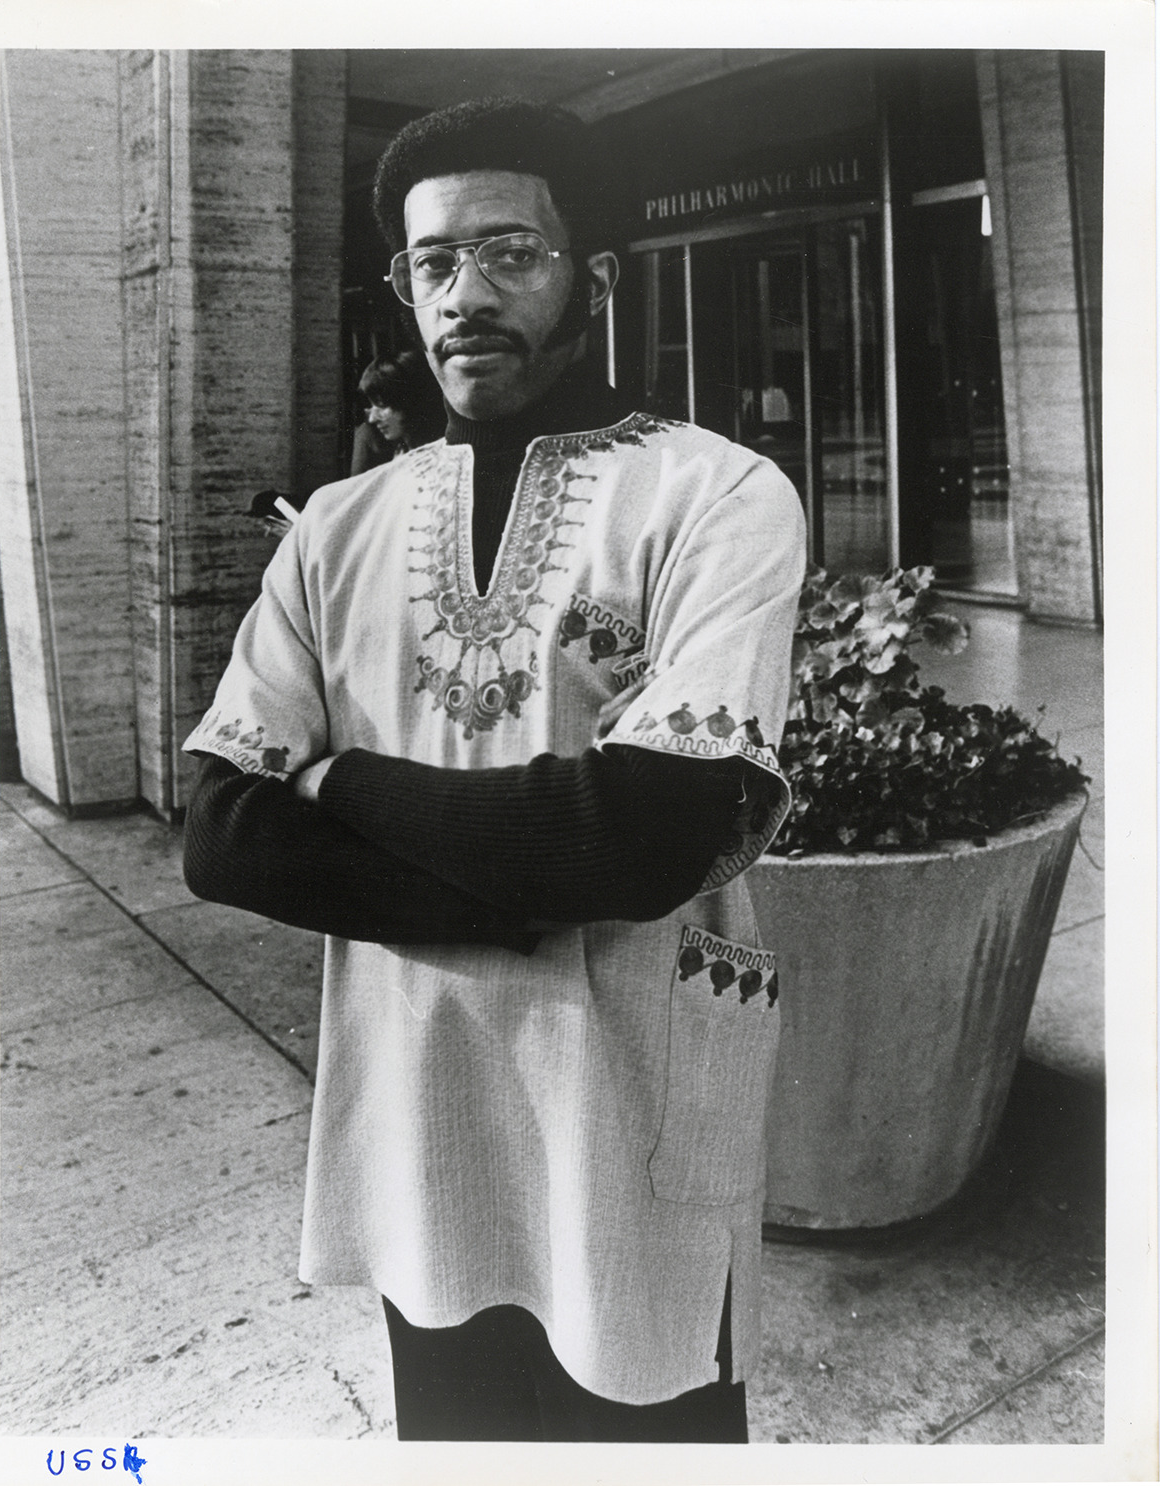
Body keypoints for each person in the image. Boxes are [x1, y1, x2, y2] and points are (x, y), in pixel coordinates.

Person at [182, 97, 806, 1443]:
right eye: (432, 263)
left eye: (511, 252)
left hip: (628, 1100)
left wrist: (338, 783)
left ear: (597, 277)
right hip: (424, 1115)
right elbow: (222, 829)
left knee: (650, 1430)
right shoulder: (336, 529)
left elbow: (644, 837)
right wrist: (528, 883)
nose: (464, 295)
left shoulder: (716, 495)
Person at [349, 349, 445, 476]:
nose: (372, 418)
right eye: (372, 405)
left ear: (409, 402)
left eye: (382, 405)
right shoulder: (376, 440)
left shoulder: (444, 455)